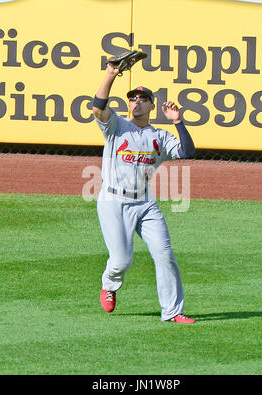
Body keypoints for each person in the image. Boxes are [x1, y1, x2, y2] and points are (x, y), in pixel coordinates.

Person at [92, 62, 196, 324]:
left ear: (152, 106)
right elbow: (98, 107)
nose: (136, 102)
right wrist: (111, 75)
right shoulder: (116, 126)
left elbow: (187, 152)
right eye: (132, 98)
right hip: (113, 200)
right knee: (121, 261)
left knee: (164, 255)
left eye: (143, 99)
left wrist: (178, 121)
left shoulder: (160, 136)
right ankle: (110, 284)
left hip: (145, 203)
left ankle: (173, 312)